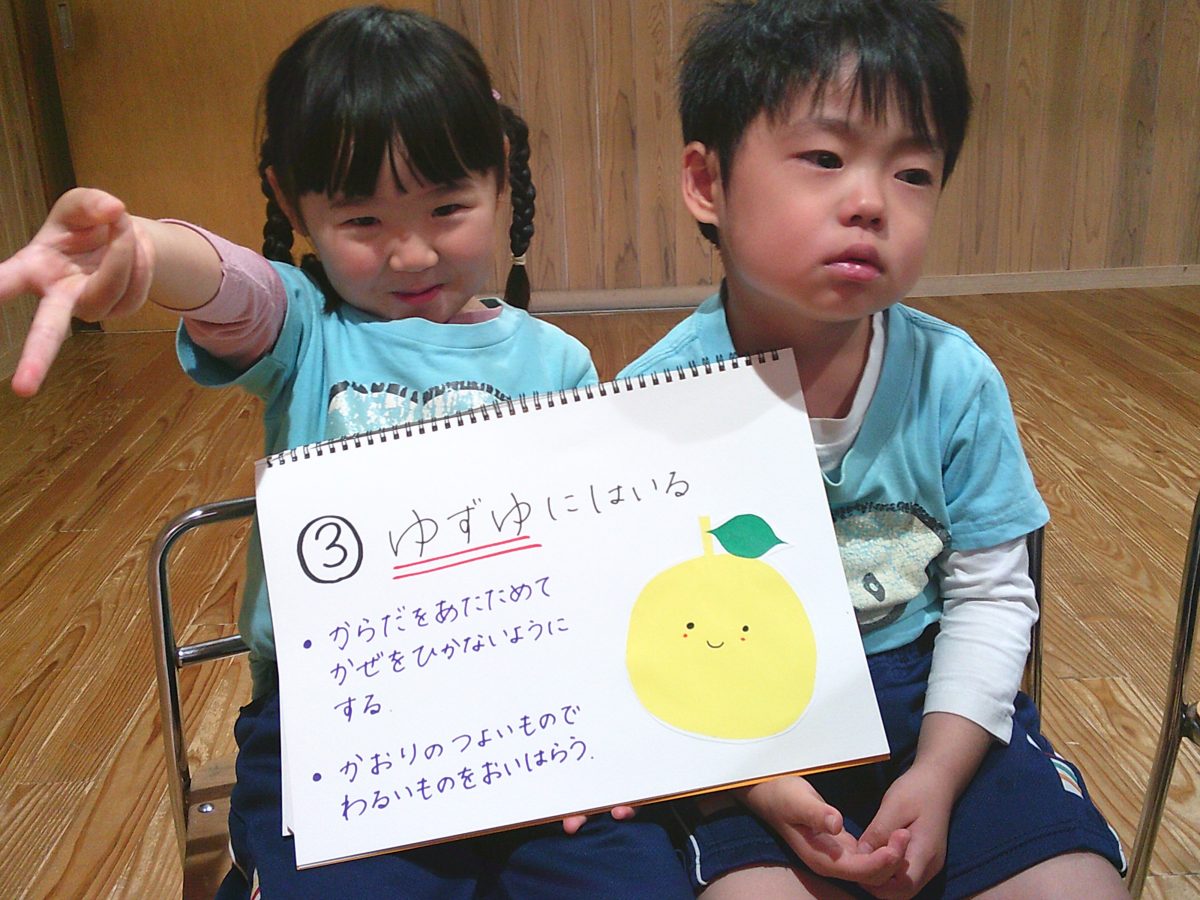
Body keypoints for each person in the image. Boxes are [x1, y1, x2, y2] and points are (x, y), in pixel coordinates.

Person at [0, 6, 691, 897]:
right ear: (294, 204)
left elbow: (591, 559)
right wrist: (145, 250)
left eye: (448, 208)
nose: (411, 252)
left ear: (499, 180)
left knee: (636, 879)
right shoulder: (307, 331)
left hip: (526, 704)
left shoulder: (555, 362)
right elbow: (232, 288)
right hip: (336, 719)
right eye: (362, 219)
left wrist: (602, 721)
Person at [618, 1, 1129, 897]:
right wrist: (766, 783)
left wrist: (937, 774)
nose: (869, 202)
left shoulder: (952, 379)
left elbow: (990, 595)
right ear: (707, 183)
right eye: (825, 158)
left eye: (914, 173)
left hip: (933, 702)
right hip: (747, 716)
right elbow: (650, 633)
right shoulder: (654, 403)